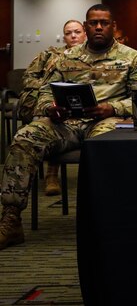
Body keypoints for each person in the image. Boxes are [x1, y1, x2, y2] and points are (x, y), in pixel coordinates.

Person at [0, 5, 137, 251]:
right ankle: (11, 219)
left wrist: (112, 108)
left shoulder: (132, 58)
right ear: (86, 27)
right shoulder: (65, 58)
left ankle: (109, 218)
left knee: (106, 146)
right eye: (93, 23)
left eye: (104, 23)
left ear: (113, 26)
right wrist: (51, 108)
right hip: (66, 122)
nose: (99, 27)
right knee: (24, 138)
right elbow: (43, 92)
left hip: (107, 121)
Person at [16, 19, 87, 196]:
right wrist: (51, 86)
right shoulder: (50, 55)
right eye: (69, 33)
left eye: (77, 32)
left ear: (84, 33)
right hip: (51, 101)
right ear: (64, 37)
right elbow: (28, 78)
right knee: (46, 120)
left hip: (82, 103)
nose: (73, 36)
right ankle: (51, 175)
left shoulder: (91, 55)